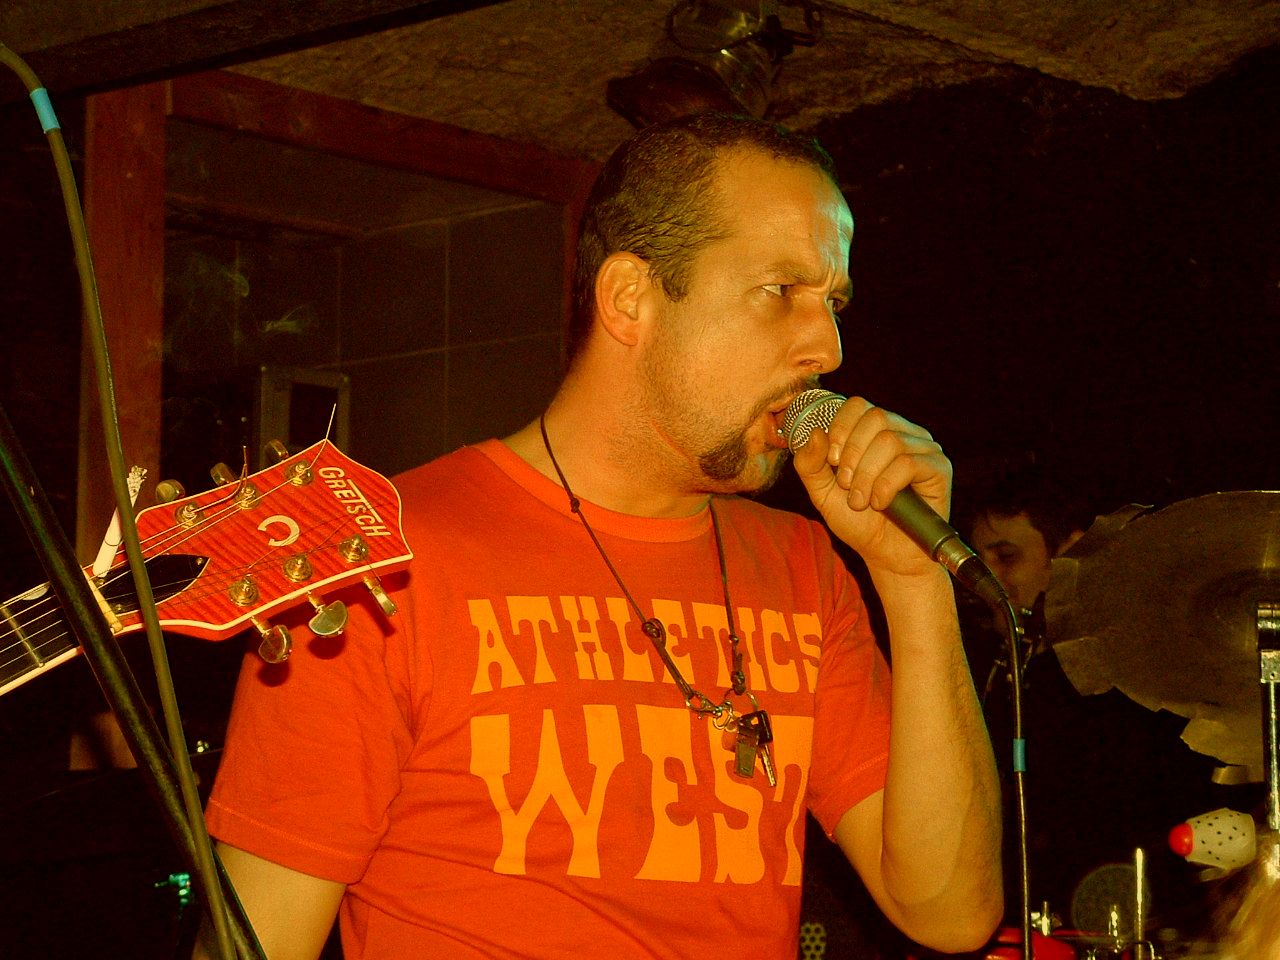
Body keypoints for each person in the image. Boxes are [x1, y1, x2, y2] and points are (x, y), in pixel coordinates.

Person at [197, 113, 1003, 960]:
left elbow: (950, 913)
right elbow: (258, 941)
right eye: (781, 291)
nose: (827, 346)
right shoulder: (377, 558)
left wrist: (914, 584)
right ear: (629, 299)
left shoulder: (804, 568)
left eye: (832, 302)